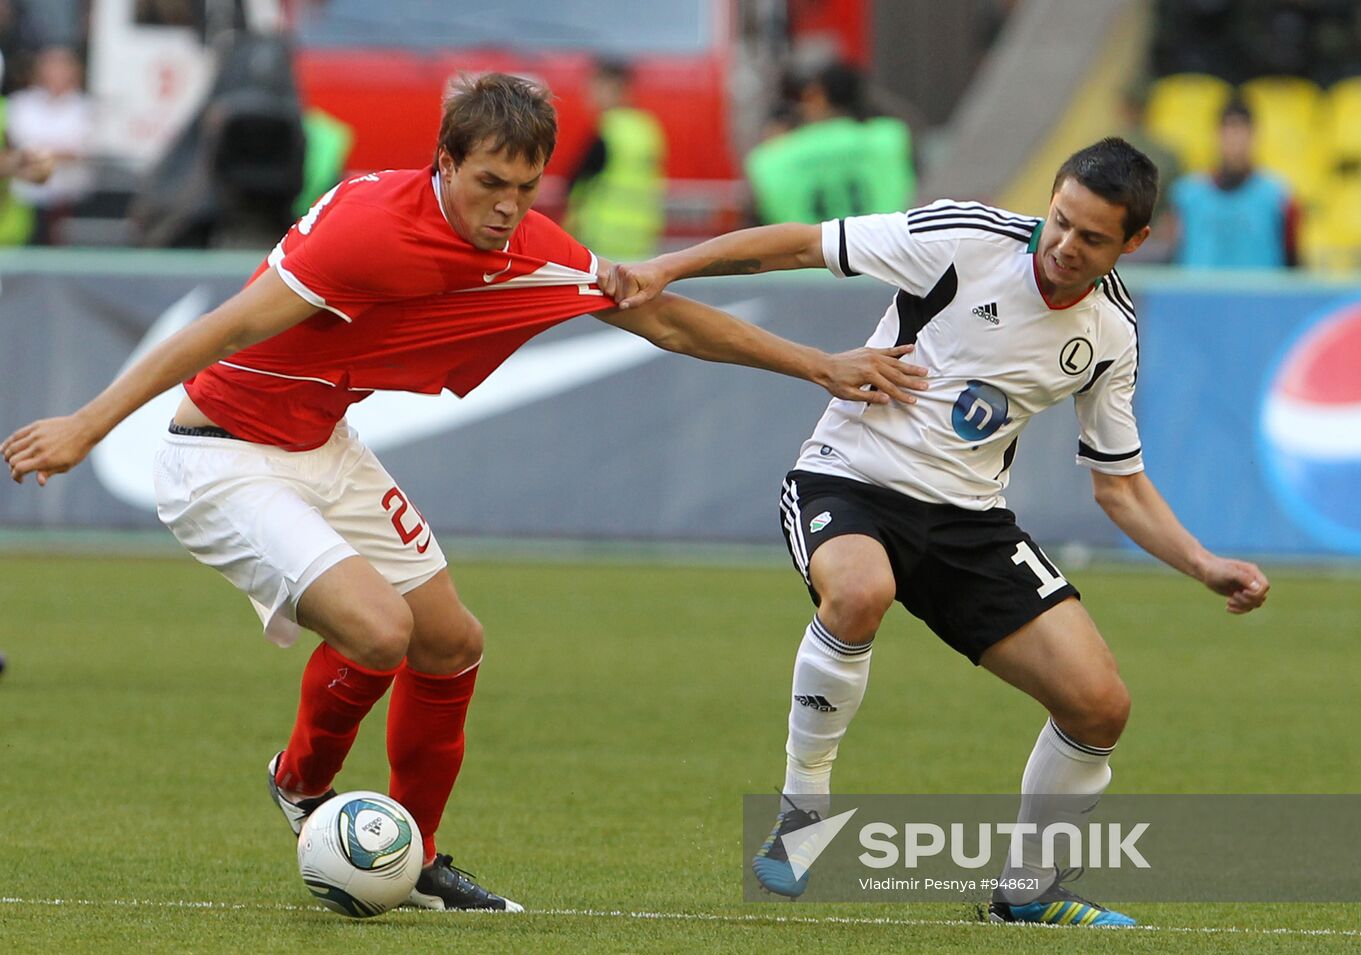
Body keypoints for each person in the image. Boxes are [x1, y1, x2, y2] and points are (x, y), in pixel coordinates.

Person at [2, 72, 926, 912]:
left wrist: (819, 364)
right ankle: (300, 784)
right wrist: (89, 423)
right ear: (443, 162)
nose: (507, 209)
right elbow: (225, 325)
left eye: (526, 189)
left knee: (450, 643)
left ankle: (415, 858)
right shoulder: (369, 231)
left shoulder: (530, 248)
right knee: (378, 632)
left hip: (326, 443)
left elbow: (666, 320)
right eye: (489, 184)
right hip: (222, 455)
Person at [605, 137, 1270, 926]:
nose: (1062, 246)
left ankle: (1024, 896)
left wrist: (1202, 564)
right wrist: (663, 268)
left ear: (1133, 243)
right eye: (1058, 220)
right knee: (859, 591)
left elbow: (1117, 485)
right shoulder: (965, 238)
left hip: (969, 524)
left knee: (1099, 706)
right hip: (847, 478)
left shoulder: (1112, 331)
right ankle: (802, 811)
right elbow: (794, 245)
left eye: (1091, 238)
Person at [744, 61, 916, 226]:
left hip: (808, 253)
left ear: (818, 96)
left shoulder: (771, 157)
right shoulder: (891, 137)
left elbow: (760, 217)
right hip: (882, 251)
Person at [1168, 97, 1298, 268]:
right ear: (1216, 135)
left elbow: (1294, 261)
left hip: (1259, 293)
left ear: (1254, 136)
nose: (1235, 140)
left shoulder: (1278, 195)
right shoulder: (1186, 195)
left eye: (1241, 130)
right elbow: (1170, 255)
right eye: (1229, 129)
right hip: (1199, 293)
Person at [563, 58, 666, 261]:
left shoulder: (608, 130)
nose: (589, 93)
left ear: (614, 88)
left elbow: (576, 182)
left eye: (595, 86)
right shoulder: (647, 129)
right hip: (641, 239)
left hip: (602, 237)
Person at [4, 44, 94, 245]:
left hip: (69, 197)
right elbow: (17, 148)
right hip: (29, 199)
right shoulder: (21, 103)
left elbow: (80, 151)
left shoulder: (86, 108)